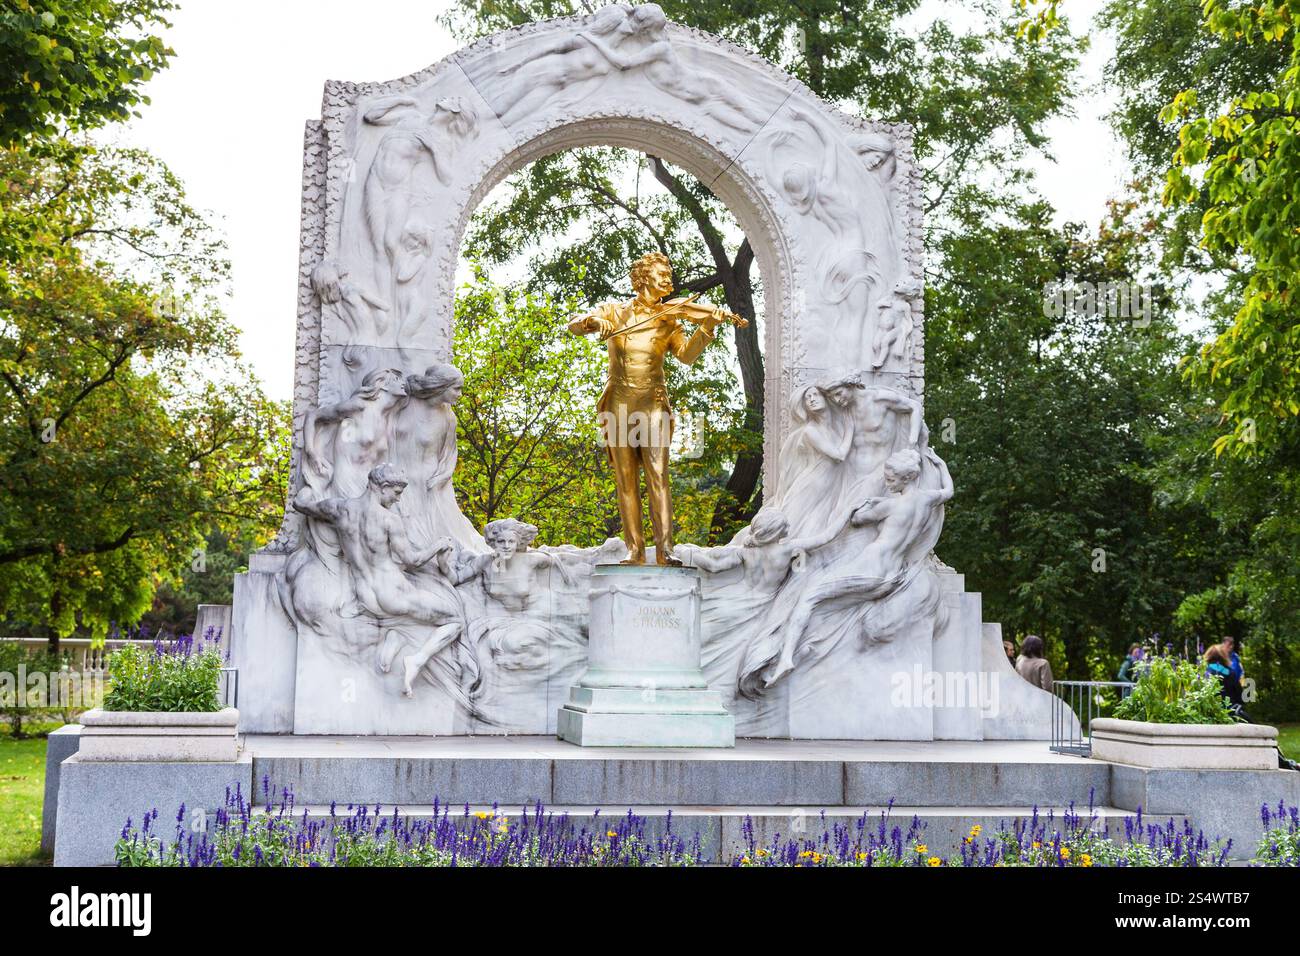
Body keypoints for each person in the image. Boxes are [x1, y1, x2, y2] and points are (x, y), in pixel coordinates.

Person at [1205, 644, 1247, 719]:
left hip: (1207, 712)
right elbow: (1239, 695)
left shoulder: (1204, 670)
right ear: (1223, 656)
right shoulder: (1228, 672)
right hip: (1228, 712)